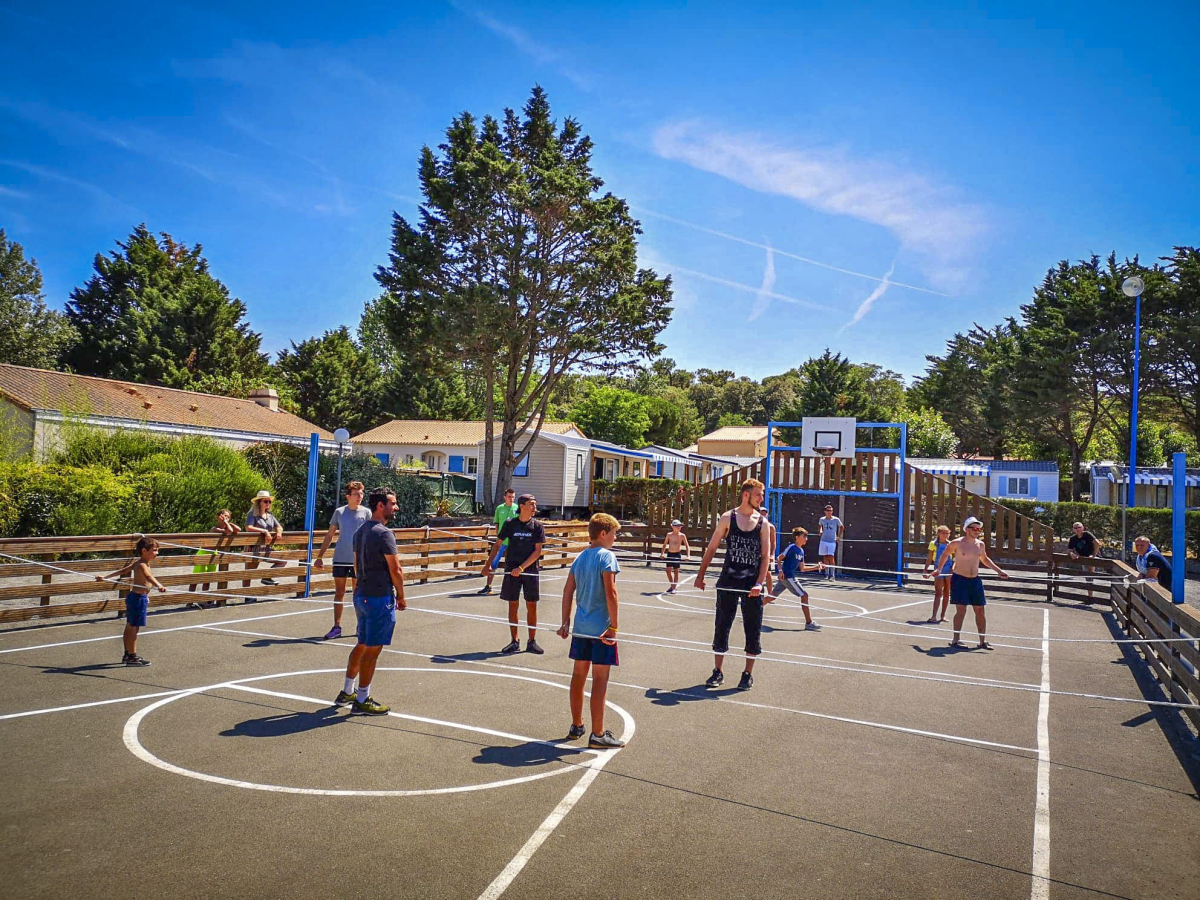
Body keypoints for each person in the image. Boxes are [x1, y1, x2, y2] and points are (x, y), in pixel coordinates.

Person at [334, 487, 406, 715]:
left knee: (362, 643)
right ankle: (362, 698)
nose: (396, 507)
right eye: (392, 503)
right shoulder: (384, 534)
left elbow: (356, 565)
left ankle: (348, 691)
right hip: (378, 596)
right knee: (372, 649)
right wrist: (402, 596)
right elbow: (396, 569)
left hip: (362, 594)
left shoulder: (361, 531)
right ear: (380, 506)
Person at [694, 478, 772, 691]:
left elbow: (766, 557)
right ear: (746, 495)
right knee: (721, 627)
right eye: (758, 494)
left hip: (751, 586)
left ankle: (747, 674)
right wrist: (700, 575)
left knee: (752, 629)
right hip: (728, 581)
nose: (761, 498)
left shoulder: (763, 523)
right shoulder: (728, 517)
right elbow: (711, 547)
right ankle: (717, 671)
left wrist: (759, 584)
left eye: (762, 494)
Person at [557, 513, 625, 749]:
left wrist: (565, 621)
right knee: (600, 680)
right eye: (614, 533)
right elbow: (611, 593)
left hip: (581, 628)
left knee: (578, 677)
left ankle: (577, 725)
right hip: (601, 631)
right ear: (603, 533)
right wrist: (614, 627)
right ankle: (597, 733)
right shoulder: (607, 557)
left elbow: (567, 591)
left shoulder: (580, 558)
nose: (615, 538)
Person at [483, 493, 546, 654]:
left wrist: (522, 568)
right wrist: (487, 565)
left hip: (530, 571)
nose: (534, 507)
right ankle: (514, 641)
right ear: (522, 506)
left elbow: (537, 551)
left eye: (535, 504)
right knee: (513, 604)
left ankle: (531, 642)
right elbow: (497, 545)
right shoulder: (510, 524)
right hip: (511, 570)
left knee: (531, 605)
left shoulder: (537, 526)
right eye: (531, 504)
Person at [941, 516, 1009, 649]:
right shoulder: (957, 543)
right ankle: (956, 640)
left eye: (979, 529)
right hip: (960, 579)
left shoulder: (980, 544)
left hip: (975, 581)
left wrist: (999, 571)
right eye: (975, 528)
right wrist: (938, 569)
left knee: (980, 611)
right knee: (961, 611)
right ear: (967, 529)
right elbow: (945, 554)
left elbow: (985, 559)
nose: (978, 531)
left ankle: (982, 641)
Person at [97, 537, 166, 667]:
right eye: (155, 550)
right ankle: (132, 656)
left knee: (131, 626)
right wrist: (159, 585)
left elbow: (123, 571)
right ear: (144, 550)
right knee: (133, 627)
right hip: (138, 599)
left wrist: (105, 577)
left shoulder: (140, 562)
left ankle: (128, 653)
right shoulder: (141, 564)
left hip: (138, 597)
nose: (157, 553)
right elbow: (148, 577)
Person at [314, 481, 370, 639]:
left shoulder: (366, 513)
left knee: (358, 593)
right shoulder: (339, 512)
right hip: (340, 558)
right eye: (356, 494)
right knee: (340, 592)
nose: (359, 496)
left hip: (359, 560)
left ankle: (361, 625)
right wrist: (319, 557)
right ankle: (337, 627)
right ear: (348, 496)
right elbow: (330, 534)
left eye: (361, 493)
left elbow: (371, 534)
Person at [771, 526, 824, 629]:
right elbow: (779, 558)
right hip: (788, 577)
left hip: (789, 577)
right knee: (804, 595)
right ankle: (809, 623)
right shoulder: (791, 548)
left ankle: (753, 611)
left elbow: (803, 568)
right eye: (804, 536)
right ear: (796, 537)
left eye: (806, 537)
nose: (806, 539)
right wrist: (780, 571)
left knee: (771, 596)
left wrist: (817, 567)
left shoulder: (801, 551)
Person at [188, 509, 240, 609]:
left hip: (213, 553)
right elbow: (229, 532)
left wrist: (229, 523)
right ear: (218, 517)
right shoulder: (215, 528)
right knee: (196, 577)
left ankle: (204, 600)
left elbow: (238, 529)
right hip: (204, 553)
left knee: (208, 578)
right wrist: (226, 523)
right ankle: (189, 601)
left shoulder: (227, 525)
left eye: (228, 516)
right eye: (224, 516)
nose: (226, 518)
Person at [478, 488, 519, 595]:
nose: (511, 499)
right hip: (501, 542)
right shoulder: (499, 508)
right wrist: (498, 536)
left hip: (513, 543)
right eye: (509, 496)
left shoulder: (517, 508)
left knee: (512, 564)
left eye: (513, 497)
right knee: (493, 563)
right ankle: (488, 586)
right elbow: (496, 523)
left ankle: (512, 587)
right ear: (505, 497)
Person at [243, 490, 285, 594]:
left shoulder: (270, 516)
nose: (268, 504)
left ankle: (267, 577)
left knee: (282, 560)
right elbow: (248, 528)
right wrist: (265, 531)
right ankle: (247, 595)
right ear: (259, 502)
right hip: (253, 547)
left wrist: (279, 532)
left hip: (265, 547)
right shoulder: (252, 514)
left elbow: (278, 526)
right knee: (249, 572)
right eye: (266, 501)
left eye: (269, 501)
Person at [922, 525, 953, 622]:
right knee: (938, 592)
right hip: (938, 569)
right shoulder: (933, 544)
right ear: (938, 533)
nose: (945, 535)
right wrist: (925, 569)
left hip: (948, 569)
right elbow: (929, 558)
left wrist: (953, 568)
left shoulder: (951, 544)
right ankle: (934, 616)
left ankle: (943, 616)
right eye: (943, 533)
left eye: (947, 533)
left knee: (947, 592)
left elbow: (955, 558)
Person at [1067, 521, 1100, 601]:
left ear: (1083, 528)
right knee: (1087, 577)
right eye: (1075, 528)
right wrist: (1072, 554)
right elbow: (1069, 550)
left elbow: (1097, 543)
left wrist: (1093, 555)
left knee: (1090, 576)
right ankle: (1090, 597)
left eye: (1079, 527)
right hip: (1083, 559)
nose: (1078, 529)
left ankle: (1090, 597)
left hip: (1092, 558)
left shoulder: (1087, 534)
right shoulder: (1073, 539)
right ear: (1073, 530)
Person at [660, 519, 690, 593]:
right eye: (677, 526)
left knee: (676, 570)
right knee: (668, 570)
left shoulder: (682, 535)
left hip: (677, 554)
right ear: (673, 527)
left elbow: (687, 546)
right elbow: (664, 545)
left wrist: (688, 555)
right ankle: (672, 586)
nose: (679, 528)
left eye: (680, 526)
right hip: (670, 554)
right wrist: (662, 553)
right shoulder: (669, 535)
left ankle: (674, 587)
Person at [817, 505, 843, 580]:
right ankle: (826, 574)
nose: (829, 512)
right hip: (823, 540)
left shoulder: (836, 519)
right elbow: (820, 525)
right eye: (828, 511)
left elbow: (842, 527)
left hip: (832, 541)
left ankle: (832, 575)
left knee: (831, 557)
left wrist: (838, 537)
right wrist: (820, 531)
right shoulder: (822, 519)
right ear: (825, 511)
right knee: (825, 556)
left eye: (831, 511)